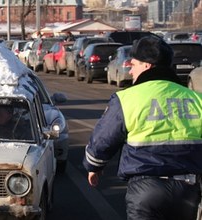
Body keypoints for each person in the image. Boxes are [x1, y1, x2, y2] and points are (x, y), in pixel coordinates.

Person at [83, 35, 202, 220]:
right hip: (187, 190)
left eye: (133, 65)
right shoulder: (195, 99)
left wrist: (94, 165)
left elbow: (103, 138)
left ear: (147, 65)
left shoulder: (127, 98)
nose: (130, 71)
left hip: (146, 189)